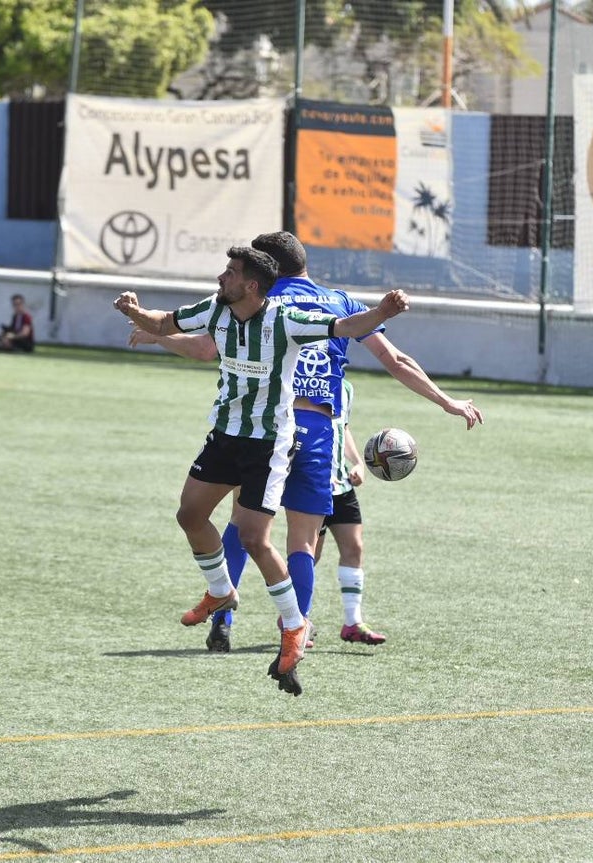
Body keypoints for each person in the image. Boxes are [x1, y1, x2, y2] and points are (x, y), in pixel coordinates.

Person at [130, 232, 483, 655]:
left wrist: (158, 337)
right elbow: (395, 359)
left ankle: (223, 618)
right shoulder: (341, 302)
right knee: (303, 539)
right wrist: (447, 401)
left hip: (264, 424)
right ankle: (296, 628)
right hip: (317, 430)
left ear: (267, 269)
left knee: (244, 527)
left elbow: (207, 348)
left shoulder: (258, 300)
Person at [114, 246, 409, 693]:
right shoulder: (215, 309)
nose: (220, 276)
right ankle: (221, 591)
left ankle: (294, 627)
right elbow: (163, 322)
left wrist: (383, 310)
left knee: (253, 537)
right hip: (225, 433)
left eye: (230, 272)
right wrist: (136, 313)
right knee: (189, 515)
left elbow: (345, 327)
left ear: (251, 285)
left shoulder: (285, 320)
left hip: (270, 444)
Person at [314, 378, 386, 645]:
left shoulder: (345, 387)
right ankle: (296, 619)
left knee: (354, 548)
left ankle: (353, 623)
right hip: (313, 483)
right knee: (310, 554)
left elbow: (342, 427)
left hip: (342, 484)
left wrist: (357, 463)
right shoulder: (303, 379)